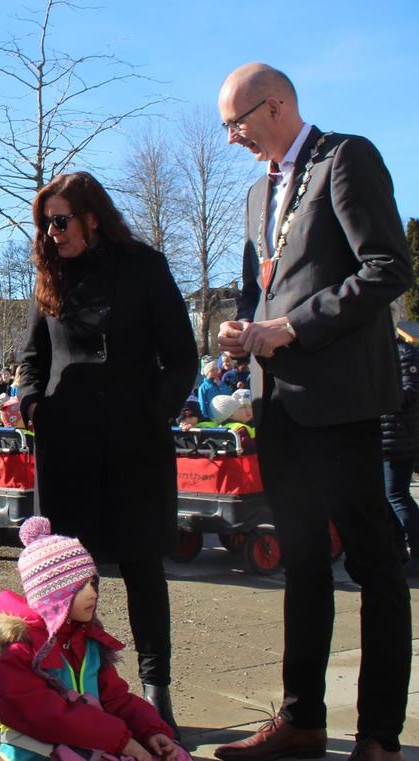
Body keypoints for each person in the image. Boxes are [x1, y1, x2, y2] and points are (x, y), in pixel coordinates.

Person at [215, 63, 412, 761]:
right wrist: (243, 329)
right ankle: (300, 720)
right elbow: (254, 292)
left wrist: (292, 327)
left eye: (235, 123)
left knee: (372, 560)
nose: (230, 137)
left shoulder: (346, 159)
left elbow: (387, 267)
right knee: (300, 559)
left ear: (274, 107)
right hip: (279, 407)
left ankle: (379, 737)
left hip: (342, 402)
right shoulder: (251, 196)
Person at [16, 171, 197, 739]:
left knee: (144, 567)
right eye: (45, 223)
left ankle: (155, 692)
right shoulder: (52, 275)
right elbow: (32, 356)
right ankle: (72, 690)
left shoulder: (144, 266)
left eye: (61, 220)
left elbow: (182, 356)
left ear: (92, 216)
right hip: (66, 446)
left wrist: (153, 413)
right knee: (67, 578)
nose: (52, 232)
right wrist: (30, 404)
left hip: (133, 444)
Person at [0, 517, 186, 761]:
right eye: (78, 587)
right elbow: (46, 716)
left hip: (89, 744)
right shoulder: (21, 649)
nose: (93, 593)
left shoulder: (86, 640)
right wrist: (121, 741)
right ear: (53, 595)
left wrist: (150, 730)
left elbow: (115, 699)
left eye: (92, 583)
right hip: (38, 753)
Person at [381, 329, 419, 575]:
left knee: (396, 495)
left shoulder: (404, 353)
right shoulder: (373, 356)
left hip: (399, 438)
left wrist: (376, 394)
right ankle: (398, 551)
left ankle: (416, 551)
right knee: (385, 497)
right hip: (381, 437)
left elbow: (410, 392)